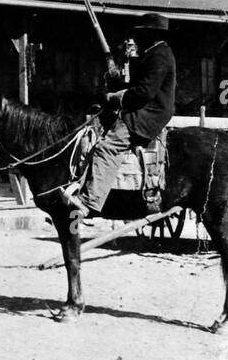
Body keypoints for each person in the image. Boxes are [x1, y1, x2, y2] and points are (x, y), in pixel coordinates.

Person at [67, 13, 177, 219]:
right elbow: (138, 88)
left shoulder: (159, 55)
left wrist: (115, 97)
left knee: (107, 147)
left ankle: (90, 202)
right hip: (143, 109)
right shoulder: (154, 52)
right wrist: (118, 84)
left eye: (141, 33)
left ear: (151, 34)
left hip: (148, 113)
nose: (137, 38)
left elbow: (145, 92)